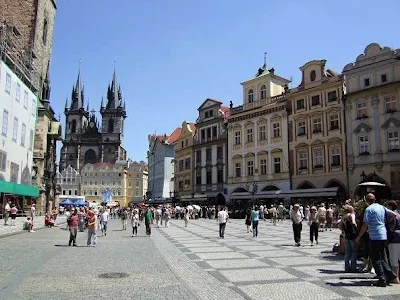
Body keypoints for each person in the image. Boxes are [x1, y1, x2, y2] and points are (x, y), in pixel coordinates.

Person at [355, 193, 397, 287]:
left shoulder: (368, 209)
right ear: (375, 199)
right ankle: (390, 275)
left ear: (366, 200)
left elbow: (365, 225)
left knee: (376, 258)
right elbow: (394, 214)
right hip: (383, 235)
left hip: (374, 236)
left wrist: (359, 237)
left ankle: (381, 278)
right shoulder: (381, 207)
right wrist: (385, 222)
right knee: (383, 257)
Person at [338, 205, 358, 272]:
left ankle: (347, 267)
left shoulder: (344, 216)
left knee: (347, 252)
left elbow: (339, 226)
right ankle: (353, 267)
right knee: (354, 252)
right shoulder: (351, 215)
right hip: (352, 235)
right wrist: (356, 229)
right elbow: (353, 222)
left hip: (346, 235)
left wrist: (344, 231)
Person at [386, 200, 400, 283]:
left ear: (390, 207)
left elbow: (391, 228)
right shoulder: (399, 214)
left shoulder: (392, 215)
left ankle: (395, 278)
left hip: (394, 238)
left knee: (394, 259)